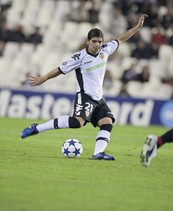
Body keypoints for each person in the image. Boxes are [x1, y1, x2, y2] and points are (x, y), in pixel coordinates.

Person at [21, 14, 148, 161]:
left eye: (100, 41)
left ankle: (98, 153)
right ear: (88, 41)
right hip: (85, 95)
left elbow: (121, 38)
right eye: (94, 41)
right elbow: (59, 69)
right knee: (77, 123)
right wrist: (43, 78)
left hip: (98, 97)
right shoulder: (79, 57)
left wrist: (137, 27)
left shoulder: (105, 50)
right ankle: (37, 128)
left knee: (107, 122)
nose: (97, 45)